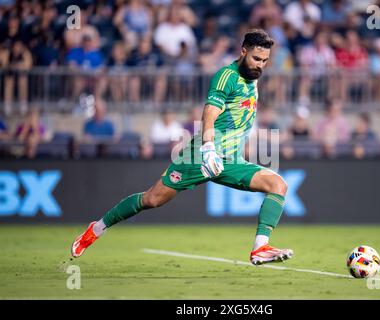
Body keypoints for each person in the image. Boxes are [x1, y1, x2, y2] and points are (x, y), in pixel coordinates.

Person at [71, 29, 293, 265]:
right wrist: (208, 149)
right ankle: (96, 229)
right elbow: (210, 112)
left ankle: (260, 248)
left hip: (230, 160)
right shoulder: (226, 77)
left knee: (278, 184)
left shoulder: (253, 77)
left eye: (265, 61)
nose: (260, 65)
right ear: (243, 51)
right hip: (199, 156)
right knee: (152, 200)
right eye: (256, 59)